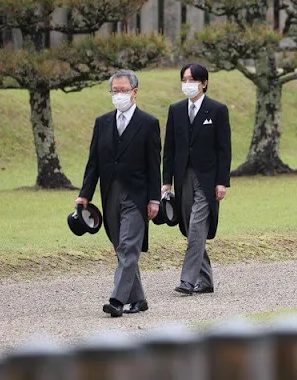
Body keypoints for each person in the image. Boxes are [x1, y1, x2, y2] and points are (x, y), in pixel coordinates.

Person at [75, 69, 161, 317]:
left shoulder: (148, 123)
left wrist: (154, 198)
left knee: (128, 248)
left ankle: (117, 300)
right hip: (110, 193)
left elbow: (154, 165)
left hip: (137, 196)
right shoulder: (102, 123)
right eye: (115, 91)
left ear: (134, 92)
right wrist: (85, 195)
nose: (119, 95)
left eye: (124, 90)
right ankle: (139, 299)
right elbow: (93, 163)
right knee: (120, 248)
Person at [162, 63, 232, 295]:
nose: (187, 84)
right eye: (184, 79)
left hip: (208, 179)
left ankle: (187, 280)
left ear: (204, 83)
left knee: (197, 226)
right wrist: (166, 181)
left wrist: (222, 182)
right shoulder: (175, 110)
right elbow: (169, 149)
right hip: (183, 177)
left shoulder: (218, 110)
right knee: (190, 229)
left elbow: (224, 149)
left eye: (192, 80)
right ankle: (207, 280)